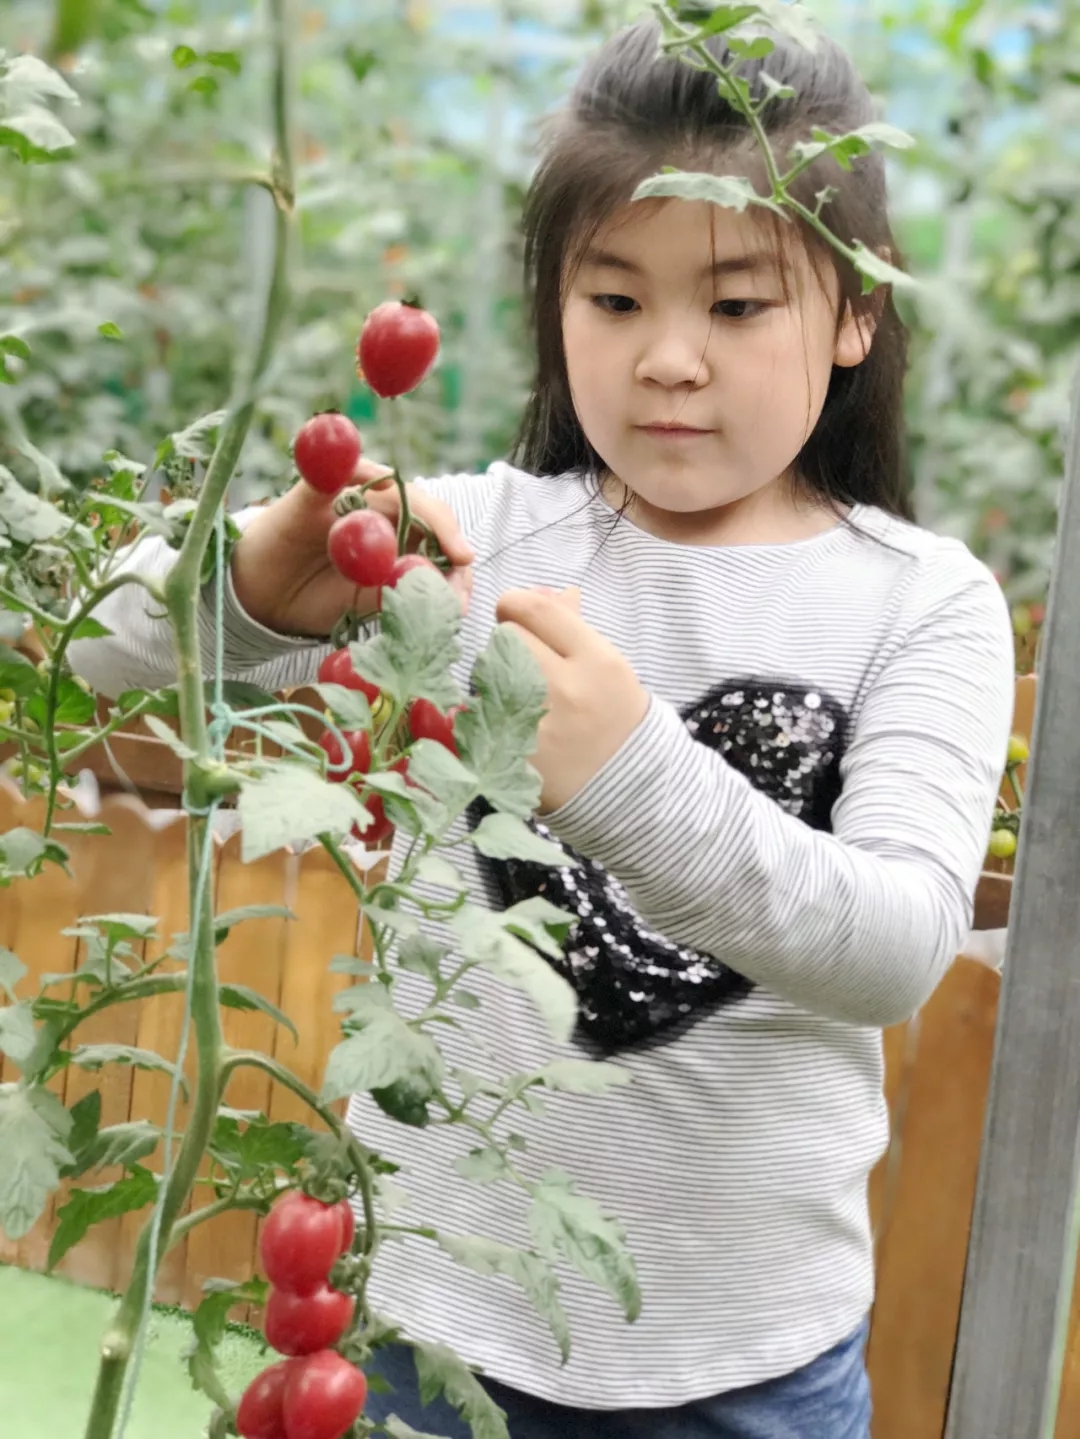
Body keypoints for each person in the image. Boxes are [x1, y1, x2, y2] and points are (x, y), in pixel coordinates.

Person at [69, 14, 1015, 1439]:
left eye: (737, 307)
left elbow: (893, 948)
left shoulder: (920, 601)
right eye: (614, 299)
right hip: (423, 1324)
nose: (668, 360)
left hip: (745, 1364)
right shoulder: (469, 537)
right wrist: (254, 591)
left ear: (856, 311)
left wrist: (629, 777)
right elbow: (98, 652)